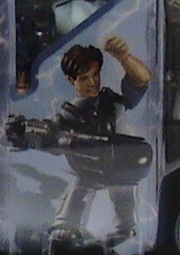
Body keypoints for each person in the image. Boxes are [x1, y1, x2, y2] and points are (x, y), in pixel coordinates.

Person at [49, 35, 152, 243]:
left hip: (118, 162)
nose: (92, 83)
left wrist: (124, 57)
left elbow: (141, 80)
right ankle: (66, 226)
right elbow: (51, 138)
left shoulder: (110, 102)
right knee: (79, 188)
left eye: (95, 75)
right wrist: (60, 141)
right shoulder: (69, 114)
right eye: (84, 78)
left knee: (124, 191)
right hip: (88, 166)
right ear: (71, 80)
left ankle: (126, 227)